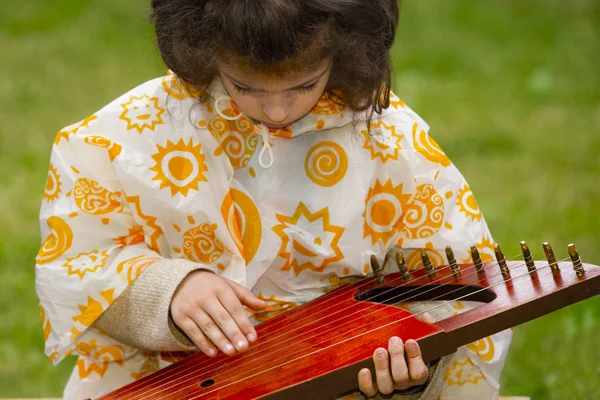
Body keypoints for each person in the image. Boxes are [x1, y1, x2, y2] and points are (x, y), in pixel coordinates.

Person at [35, 0, 513, 398]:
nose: (277, 110)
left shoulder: (390, 142)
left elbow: (453, 282)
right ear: (203, 51)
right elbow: (78, 261)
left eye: (305, 84)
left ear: (344, 52)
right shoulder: (120, 140)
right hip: (170, 385)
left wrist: (411, 377)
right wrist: (167, 292)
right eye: (245, 86)